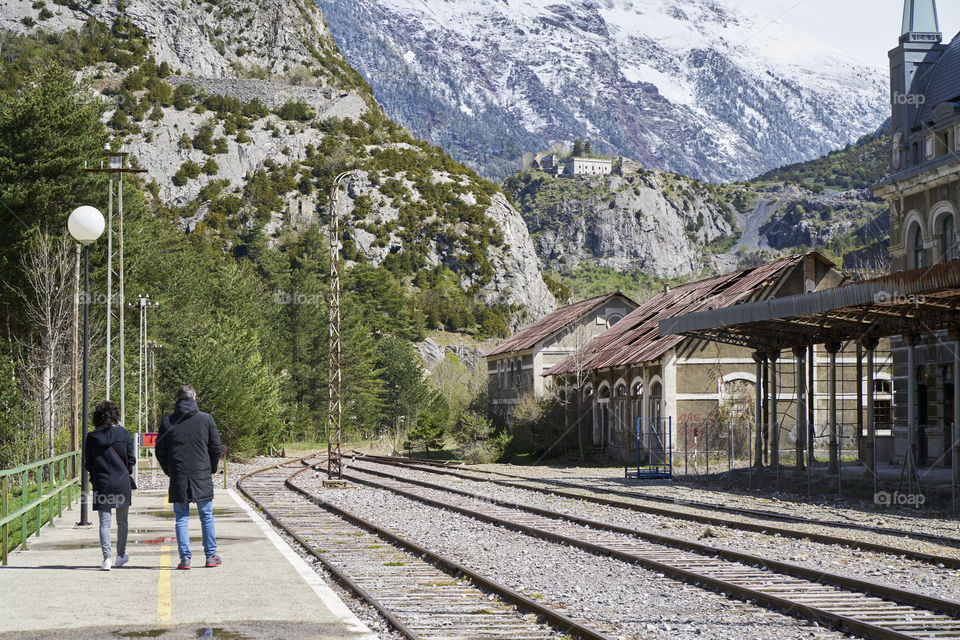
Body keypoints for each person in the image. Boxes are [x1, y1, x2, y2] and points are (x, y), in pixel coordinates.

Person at [156, 385, 223, 570]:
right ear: (194, 399)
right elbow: (216, 447)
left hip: (179, 474)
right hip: (201, 473)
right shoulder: (206, 419)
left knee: (181, 518)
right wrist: (211, 467)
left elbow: (160, 451)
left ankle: (185, 558)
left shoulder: (167, 421)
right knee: (206, 516)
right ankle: (210, 556)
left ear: (177, 400)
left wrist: (170, 470)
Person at [84, 400, 136, 571]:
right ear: (116, 416)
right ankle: (121, 555)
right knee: (122, 521)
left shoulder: (91, 438)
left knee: (104, 523)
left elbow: (88, 464)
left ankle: (107, 558)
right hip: (121, 482)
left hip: (102, 482)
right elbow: (131, 460)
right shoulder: (124, 434)